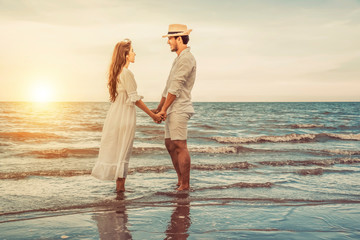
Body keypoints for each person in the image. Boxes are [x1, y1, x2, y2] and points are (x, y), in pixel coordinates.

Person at [92, 39, 162, 192]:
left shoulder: (116, 74)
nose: (134, 53)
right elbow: (134, 98)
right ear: (125, 55)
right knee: (123, 154)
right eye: (132, 51)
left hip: (115, 117)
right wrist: (153, 115)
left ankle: (119, 194)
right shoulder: (127, 73)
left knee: (118, 153)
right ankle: (120, 192)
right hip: (124, 117)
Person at [153, 24, 196, 191]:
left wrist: (164, 109)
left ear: (179, 38)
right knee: (169, 144)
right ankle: (180, 180)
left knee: (180, 144)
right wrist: (160, 107)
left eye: (170, 39)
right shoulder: (178, 58)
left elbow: (176, 86)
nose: (168, 42)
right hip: (171, 107)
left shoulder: (187, 58)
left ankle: (185, 185)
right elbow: (168, 86)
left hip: (180, 107)